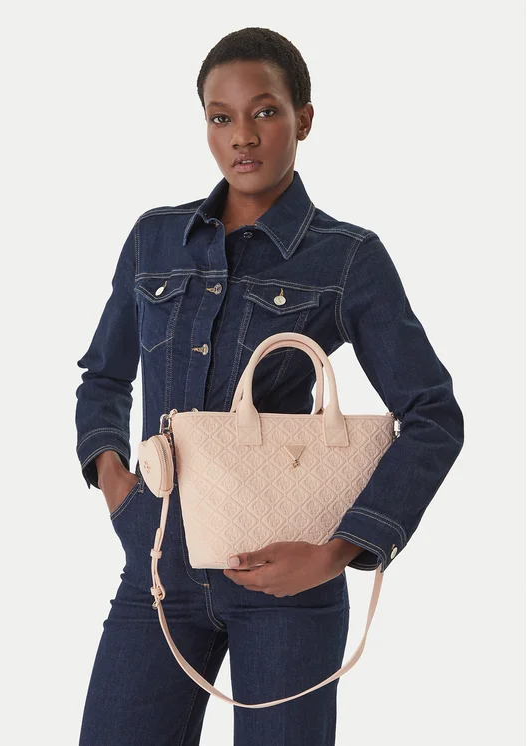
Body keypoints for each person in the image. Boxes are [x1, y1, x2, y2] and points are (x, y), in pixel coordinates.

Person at [74, 26, 464, 746]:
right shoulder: (155, 238)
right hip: (158, 568)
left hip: (288, 578)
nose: (242, 137)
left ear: (303, 119)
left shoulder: (346, 257)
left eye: (265, 112)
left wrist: (338, 550)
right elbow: (103, 374)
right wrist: (115, 486)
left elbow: (434, 414)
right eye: (220, 117)